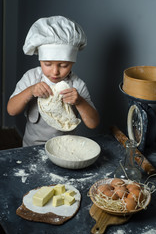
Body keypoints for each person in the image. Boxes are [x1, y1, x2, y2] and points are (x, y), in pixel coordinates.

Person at [7, 16, 100, 147]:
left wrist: (80, 101)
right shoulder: (31, 77)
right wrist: (30, 91)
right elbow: (11, 110)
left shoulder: (77, 85)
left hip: (65, 147)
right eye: (48, 64)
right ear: (40, 60)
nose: (55, 71)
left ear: (73, 62)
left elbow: (93, 123)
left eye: (63, 65)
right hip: (32, 146)